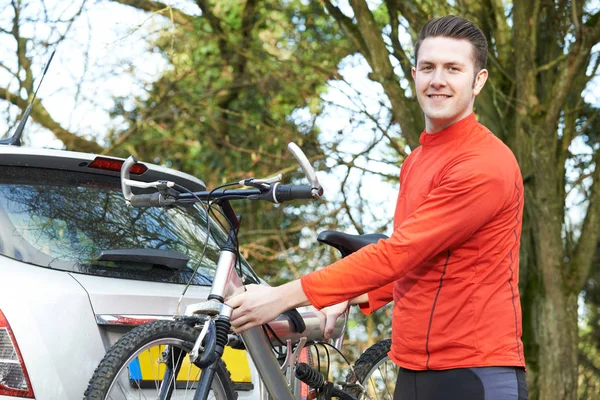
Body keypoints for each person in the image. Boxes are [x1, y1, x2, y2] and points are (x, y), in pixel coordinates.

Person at [227, 15, 528, 400]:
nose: (438, 79)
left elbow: (399, 253)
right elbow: (421, 259)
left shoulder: (484, 164)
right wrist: (349, 295)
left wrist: (281, 297)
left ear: (478, 80)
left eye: (454, 68)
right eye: (428, 67)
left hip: (475, 373)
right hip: (412, 370)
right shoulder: (417, 160)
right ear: (414, 73)